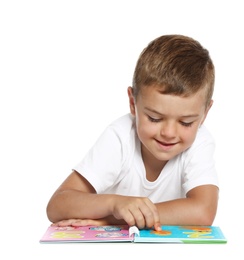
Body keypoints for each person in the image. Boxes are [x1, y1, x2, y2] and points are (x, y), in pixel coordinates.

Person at [46, 34, 219, 231]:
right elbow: (57, 206)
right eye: (154, 118)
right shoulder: (120, 137)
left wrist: (113, 219)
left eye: (186, 122)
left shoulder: (201, 142)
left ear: (205, 113)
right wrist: (114, 204)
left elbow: (203, 211)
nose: (169, 133)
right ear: (133, 103)